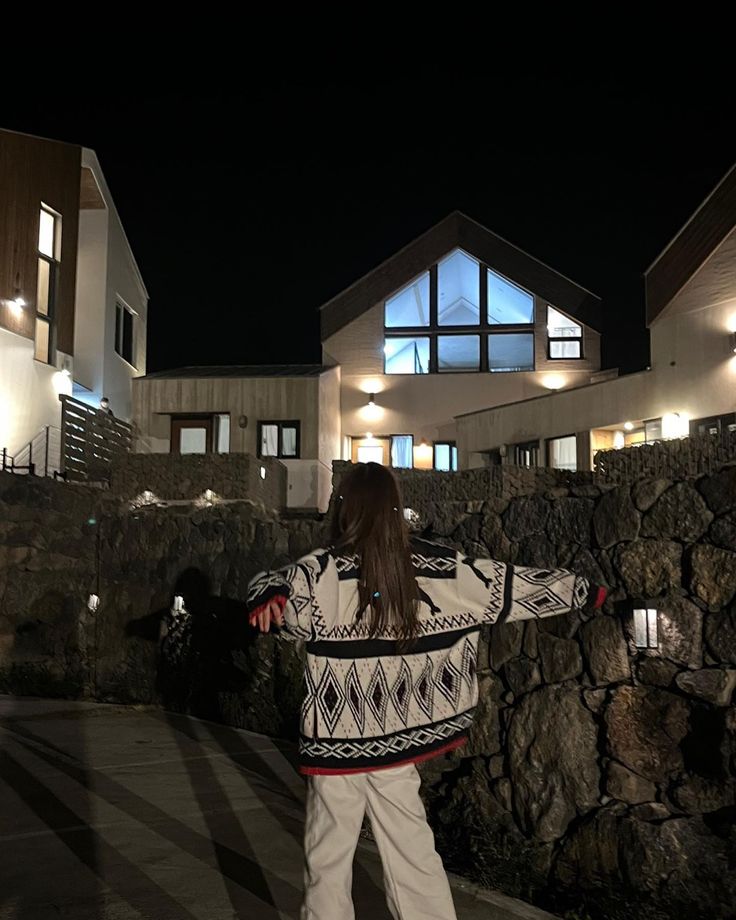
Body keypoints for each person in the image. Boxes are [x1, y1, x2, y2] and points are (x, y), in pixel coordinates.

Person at [247, 462, 606, 920]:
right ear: (394, 511)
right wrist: (581, 591)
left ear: (344, 510)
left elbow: (275, 589)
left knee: (327, 856)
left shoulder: (320, 572)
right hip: (398, 740)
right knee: (412, 847)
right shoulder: (439, 567)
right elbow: (509, 585)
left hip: (338, 742)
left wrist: (267, 599)